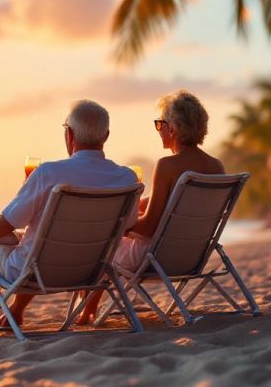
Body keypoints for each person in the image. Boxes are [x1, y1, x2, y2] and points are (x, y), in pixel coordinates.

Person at [0, 100, 137, 333]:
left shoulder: (49, 173)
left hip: (35, 273)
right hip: (91, 272)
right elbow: (128, 226)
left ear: (69, 134)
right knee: (35, 238)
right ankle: (15, 311)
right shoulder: (126, 179)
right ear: (106, 135)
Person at [74, 90, 224, 324]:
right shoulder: (216, 167)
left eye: (159, 124)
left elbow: (148, 227)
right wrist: (130, 209)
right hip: (192, 256)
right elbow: (165, 206)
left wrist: (117, 227)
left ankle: (87, 312)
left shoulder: (167, 166)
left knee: (99, 248)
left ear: (172, 128)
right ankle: (88, 310)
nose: (159, 130)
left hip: (157, 257)